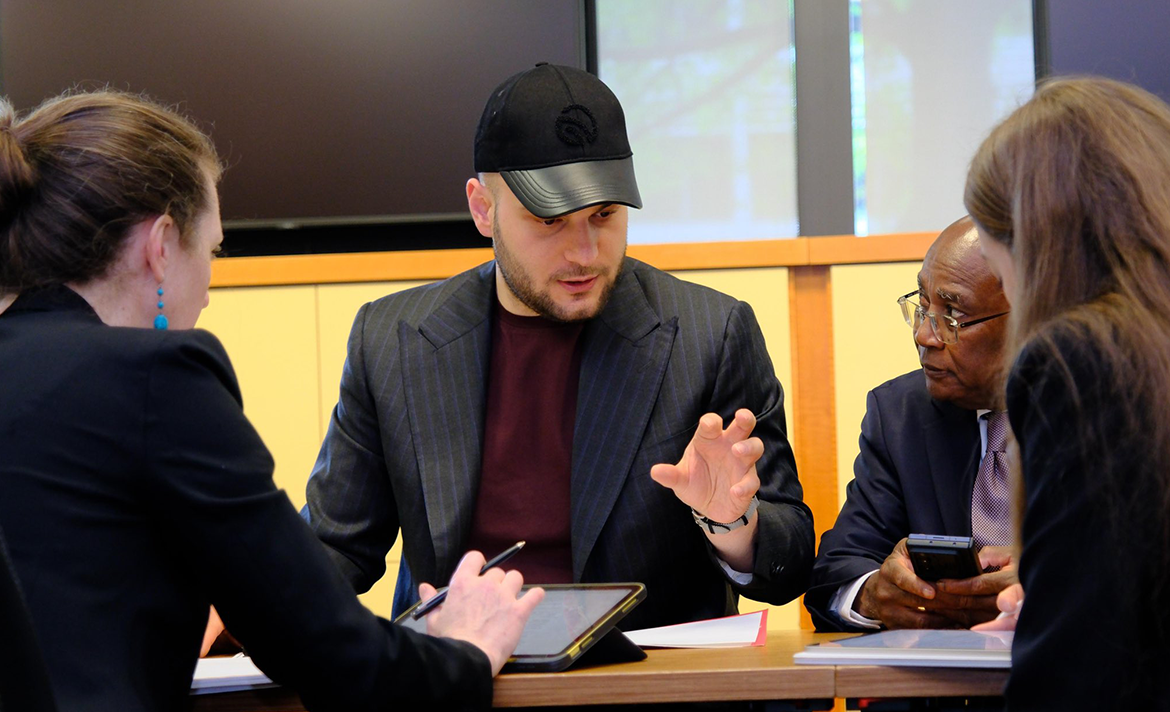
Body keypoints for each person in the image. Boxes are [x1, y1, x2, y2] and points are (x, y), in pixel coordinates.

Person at [0, 90, 542, 712]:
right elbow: (323, 648)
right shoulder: (156, 377)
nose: (208, 291)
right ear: (161, 245)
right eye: (212, 251)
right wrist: (467, 650)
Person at [301, 63, 814, 630]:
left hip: (642, 671)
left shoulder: (710, 334)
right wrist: (241, 609)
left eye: (604, 215)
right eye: (549, 220)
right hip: (459, 663)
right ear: (483, 208)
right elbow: (335, 546)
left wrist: (732, 524)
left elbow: (790, 565)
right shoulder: (391, 341)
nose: (585, 253)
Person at [964, 76, 1170, 709]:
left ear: (1035, 244)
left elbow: (1076, 674)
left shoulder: (1078, 361)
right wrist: (1054, 600)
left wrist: (1058, 623)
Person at [804, 217, 1018, 632]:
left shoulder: (1111, 413)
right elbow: (837, 572)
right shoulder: (900, 414)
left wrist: (1050, 584)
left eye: (952, 315)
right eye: (922, 306)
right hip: (938, 670)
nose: (924, 335)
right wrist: (875, 595)